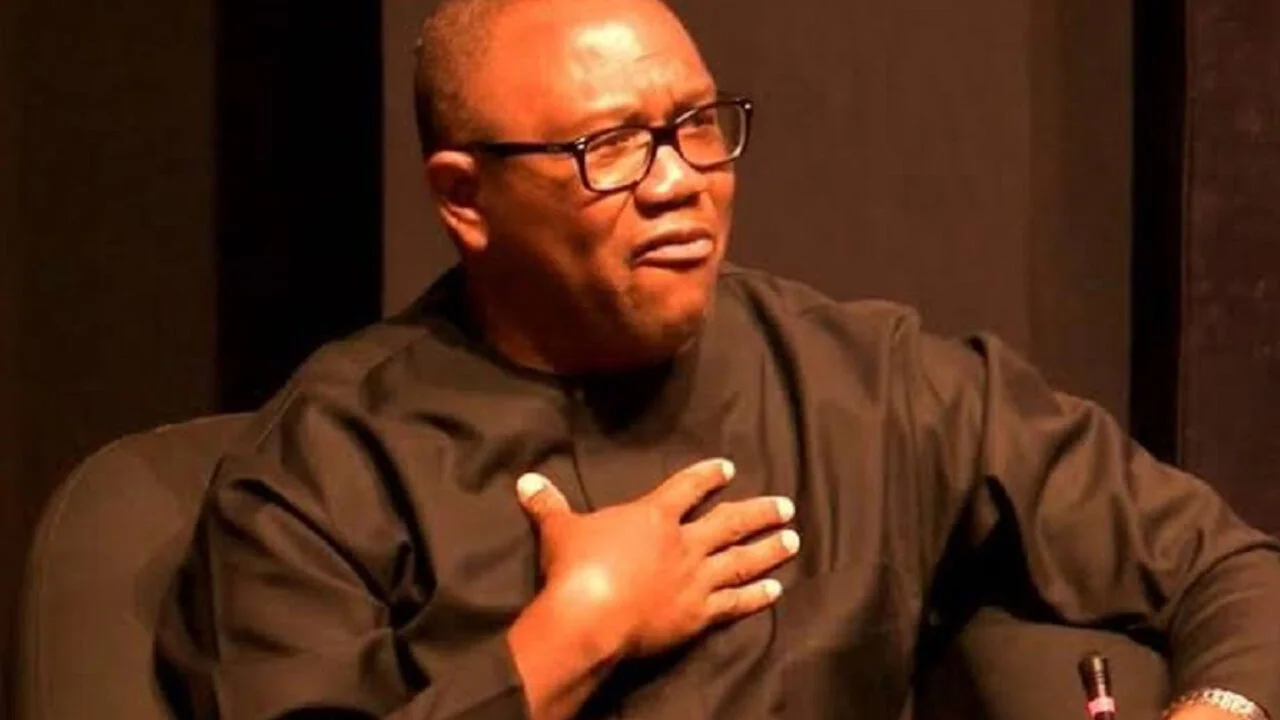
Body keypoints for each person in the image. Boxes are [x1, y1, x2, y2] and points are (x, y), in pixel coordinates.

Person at [158, 0, 1280, 718]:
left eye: (698, 125)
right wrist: (563, 643)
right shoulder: (326, 469)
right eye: (608, 148)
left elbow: (1225, 566)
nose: (677, 181)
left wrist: (1218, 712)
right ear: (464, 197)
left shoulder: (869, 383)